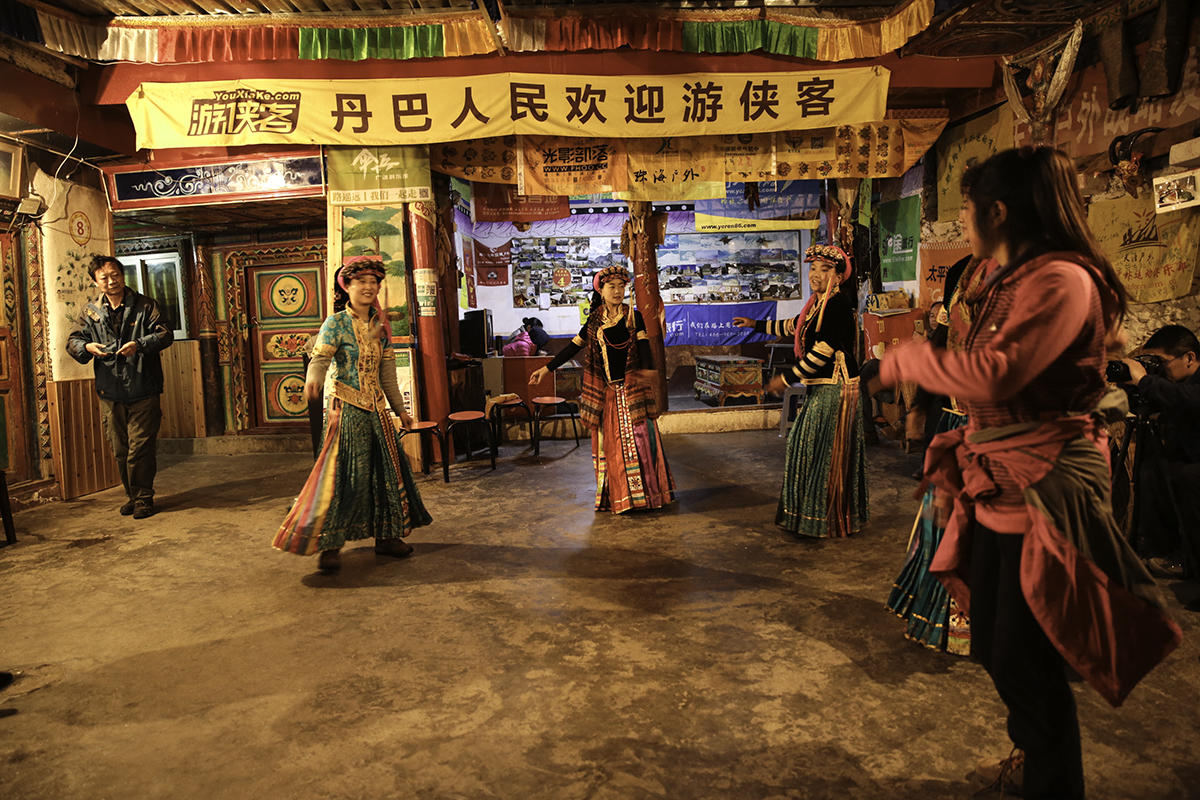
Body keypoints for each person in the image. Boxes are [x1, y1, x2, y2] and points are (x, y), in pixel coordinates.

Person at [874, 146, 1182, 799]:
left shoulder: (1061, 279)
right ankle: (1036, 758)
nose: (962, 221)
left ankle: (1051, 780)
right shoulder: (1002, 276)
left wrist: (906, 361)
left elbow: (998, 374)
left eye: (967, 208)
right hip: (999, 470)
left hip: (1044, 476)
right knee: (996, 638)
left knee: (1026, 647)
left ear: (999, 211)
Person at [273, 256, 431, 572]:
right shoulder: (335, 324)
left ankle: (387, 537)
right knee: (342, 479)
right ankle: (330, 545)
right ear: (347, 286)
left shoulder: (380, 328)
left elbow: (387, 373)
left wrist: (400, 410)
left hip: (376, 411)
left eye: (374, 282)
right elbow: (319, 360)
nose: (368, 287)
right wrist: (312, 382)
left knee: (386, 475)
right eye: (361, 282)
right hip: (345, 411)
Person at [885, 256, 986, 655]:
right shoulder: (962, 272)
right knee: (944, 529)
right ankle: (949, 620)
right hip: (957, 422)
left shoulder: (1030, 272)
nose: (968, 223)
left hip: (1000, 434)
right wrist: (920, 407)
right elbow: (940, 344)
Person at [732, 243, 867, 538]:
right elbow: (794, 326)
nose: (816, 274)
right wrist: (755, 324)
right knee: (803, 446)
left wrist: (787, 379)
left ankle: (825, 518)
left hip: (837, 384)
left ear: (839, 276)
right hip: (821, 385)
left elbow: (823, 350)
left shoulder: (837, 305)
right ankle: (809, 517)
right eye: (813, 268)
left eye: (825, 269)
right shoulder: (815, 305)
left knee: (821, 450)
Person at [528, 265, 674, 514]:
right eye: (611, 287)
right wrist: (547, 368)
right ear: (601, 290)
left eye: (621, 286)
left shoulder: (633, 316)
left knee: (641, 442)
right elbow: (573, 347)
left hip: (633, 391)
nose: (617, 291)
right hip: (607, 395)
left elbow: (645, 348)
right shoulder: (594, 320)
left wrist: (649, 372)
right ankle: (621, 498)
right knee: (612, 447)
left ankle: (648, 496)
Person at [66, 255, 174, 519]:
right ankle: (133, 496)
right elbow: (73, 340)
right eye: (104, 277)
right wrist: (87, 347)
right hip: (110, 389)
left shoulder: (146, 305)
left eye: (115, 275)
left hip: (143, 386)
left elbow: (165, 334)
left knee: (140, 447)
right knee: (120, 449)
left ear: (122, 276)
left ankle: (144, 498)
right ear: (95, 282)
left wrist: (139, 344)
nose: (111, 281)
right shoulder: (91, 312)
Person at [1118, 324, 1200, 589]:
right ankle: (1165, 552)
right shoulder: (1174, 382)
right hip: (1185, 457)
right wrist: (1129, 385)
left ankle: (1193, 567)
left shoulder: (1187, 387)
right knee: (1150, 472)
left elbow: (1187, 400)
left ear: (1189, 358)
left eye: (1162, 362)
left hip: (1194, 465)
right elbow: (1149, 401)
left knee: (1188, 478)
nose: (1160, 370)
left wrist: (1145, 380)